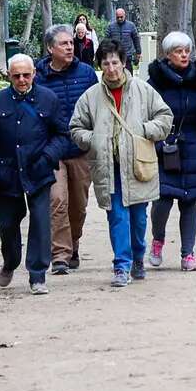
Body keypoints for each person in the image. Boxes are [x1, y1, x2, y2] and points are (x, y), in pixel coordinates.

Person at [69, 40, 173, 288]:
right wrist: (92, 139)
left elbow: (165, 116)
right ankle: (121, 265)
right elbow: (75, 128)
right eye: (106, 63)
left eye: (115, 62)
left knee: (138, 219)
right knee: (117, 217)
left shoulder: (142, 90)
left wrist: (146, 130)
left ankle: (138, 257)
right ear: (100, 66)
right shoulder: (91, 97)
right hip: (108, 168)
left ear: (124, 63)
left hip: (137, 164)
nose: (111, 67)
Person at [0, 53, 73, 295]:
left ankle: (37, 275)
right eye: (16, 75)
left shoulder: (48, 99)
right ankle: (10, 261)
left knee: (40, 223)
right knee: (7, 224)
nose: (21, 79)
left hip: (38, 170)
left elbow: (62, 135)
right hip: (7, 174)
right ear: (9, 76)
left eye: (26, 75)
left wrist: (48, 157)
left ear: (34, 74)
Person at [35, 25, 100, 275]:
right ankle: (59, 255)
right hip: (52, 150)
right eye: (63, 44)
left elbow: (97, 107)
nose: (70, 47)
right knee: (57, 200)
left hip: (81, 149)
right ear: (51, 48)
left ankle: (73, 244)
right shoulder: (39, 77)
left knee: (78, 205)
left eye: (71, 43)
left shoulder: (86, 74)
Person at [147, 31, 196, 271]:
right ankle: (158, 239)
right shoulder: (155, 81)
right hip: (165, 149)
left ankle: (188, 255)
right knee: (162, 201)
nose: (184, 54)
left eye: (186, 50)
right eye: (178, 51)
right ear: (168, 55)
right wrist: (156, 143)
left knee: (190, 203)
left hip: (192, 148)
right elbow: (146, 116)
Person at [104, 6, 141, 70]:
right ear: (115, 17)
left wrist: (138, 52)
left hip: (127, 55)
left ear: (124, 15)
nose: (119, 19)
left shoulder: (131, 25)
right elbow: (106, 40)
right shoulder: (111, 26)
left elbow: (136, 39)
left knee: (128, 76)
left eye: (121, 17)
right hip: (115, 55)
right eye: (118, 17)